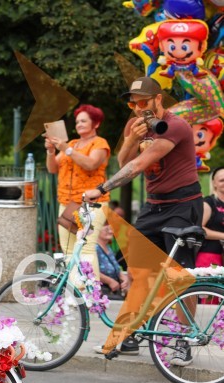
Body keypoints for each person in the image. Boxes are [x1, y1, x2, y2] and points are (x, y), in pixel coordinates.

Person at [85, 76, 202, 362]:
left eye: (143, 102)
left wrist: (101, 189)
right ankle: (131, 335)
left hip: (183, 206)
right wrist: (130, 139)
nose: (138, 108)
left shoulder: (175, 125)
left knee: (180, 277)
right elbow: (125, 161)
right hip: (154, 206)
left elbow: (138, 166)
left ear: (158, 99)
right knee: (139, 273)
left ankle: (184, 340)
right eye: (132, 103)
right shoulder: (135, 124)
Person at [45, 104, 111, 274]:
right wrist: (51, 151)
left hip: (91, 203)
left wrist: (66, 149)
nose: (79, 124)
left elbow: (90, 164)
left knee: (86, 249)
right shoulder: (72, 143)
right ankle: (73, 295)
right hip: (66, 203)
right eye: (77, 121)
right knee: (68, 251)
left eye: (83, 121)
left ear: (95, 124)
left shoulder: (100, 143)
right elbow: (53, 169)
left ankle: (90, 296)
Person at [196, 165, 224, 267]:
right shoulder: (209, 202)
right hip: (210, 255)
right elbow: (199, 229)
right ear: (214, 183)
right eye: (221, 180)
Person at [95, 224, 129, 299]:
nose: (110, 232)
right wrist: (110, 281)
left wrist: (124, 278)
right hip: (101, 291)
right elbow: (92, 271)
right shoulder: (94, 248)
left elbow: (115, 267)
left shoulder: (108, 247)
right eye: (107, 229)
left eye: (111, 229)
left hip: (113, 291)